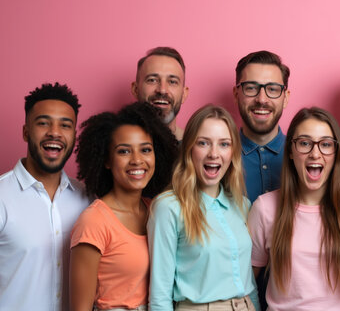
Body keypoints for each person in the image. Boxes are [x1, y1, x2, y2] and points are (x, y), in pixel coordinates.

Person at [248, 107, 340, 311]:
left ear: (336, 152)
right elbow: (246, 284)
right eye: (305, 143)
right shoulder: (265, 208)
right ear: (290, 150)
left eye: (325, 144)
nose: (315, 154)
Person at [148, 105, 258, 311]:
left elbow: (247, 281)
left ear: (233, 152)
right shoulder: (168, 208)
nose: (214, 154)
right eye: (203, 143)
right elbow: (159, 294)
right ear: (189, 148)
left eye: (224, 144)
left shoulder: (242, 205)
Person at [70, 102, 178, 311]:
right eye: (124, 152)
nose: (137, 160)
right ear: (107, 160)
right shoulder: (94, 221)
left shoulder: (157, 210)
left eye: (146, 149)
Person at [0, 82, 90, 311]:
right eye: (43, 123)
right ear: (25, 131)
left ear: (74, 135)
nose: (55, 132)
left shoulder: (87, 200)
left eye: (65, 125)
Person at [233, 50, 291, 203]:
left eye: (272, 89)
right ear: (236, 94)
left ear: (285, 98)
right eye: (251, 88)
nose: (262, 99)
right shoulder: (218, 157)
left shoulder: (304, 155)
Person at [132, 46, 189, 140]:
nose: (162, 90)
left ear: (184, 94)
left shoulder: (194, 148)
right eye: (152, 80)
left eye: (172, 82)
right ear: (135, 89)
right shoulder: (111, 143)